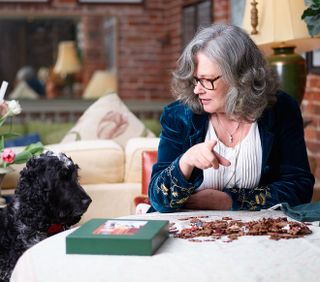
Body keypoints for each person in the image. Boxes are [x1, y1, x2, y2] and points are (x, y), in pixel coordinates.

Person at [148, 24, 314, 213]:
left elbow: (299, 187)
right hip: (188, 231)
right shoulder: (179, 116)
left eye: (207, 80)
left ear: (240, 78)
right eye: (196, 79)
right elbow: (158, 200)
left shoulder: (281, 109)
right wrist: (185, 162)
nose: (197, 89)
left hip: (259, 233)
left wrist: (229, 201)